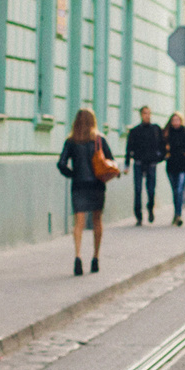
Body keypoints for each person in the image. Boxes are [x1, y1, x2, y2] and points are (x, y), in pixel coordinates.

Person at [57, 107, 114, 276]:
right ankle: (95, 258)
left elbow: (61, 164)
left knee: (78, 223)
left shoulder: (71, 141)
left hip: (79, 186)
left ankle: (78, 256)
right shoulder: (99, 139)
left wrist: (73, 174)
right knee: (97, 221)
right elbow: (111, 160)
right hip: (97, 185)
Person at [125, 105, 165, 225]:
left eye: (148, 113)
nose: (147, 116)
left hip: (151, 163)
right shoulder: (135, 131)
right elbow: (129, 148)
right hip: (138, 163)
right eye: (144, 113)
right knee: (137, 189)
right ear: (141, 115)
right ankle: (138, 215)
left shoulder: (156, 129)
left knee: (151, 190)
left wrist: (160, 157)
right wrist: (127, 165)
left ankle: (150, 208)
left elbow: (162, 145)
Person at [164, 111, 185, 225]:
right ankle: (176, 213)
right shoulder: (168, 133)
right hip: (171, 166)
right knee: (175, 191)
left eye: (177, 120)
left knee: (179, 190)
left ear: (181, 121)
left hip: (183, 166)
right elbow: (162, 147)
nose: (175, 122)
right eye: (173, 120)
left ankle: (178, 215)